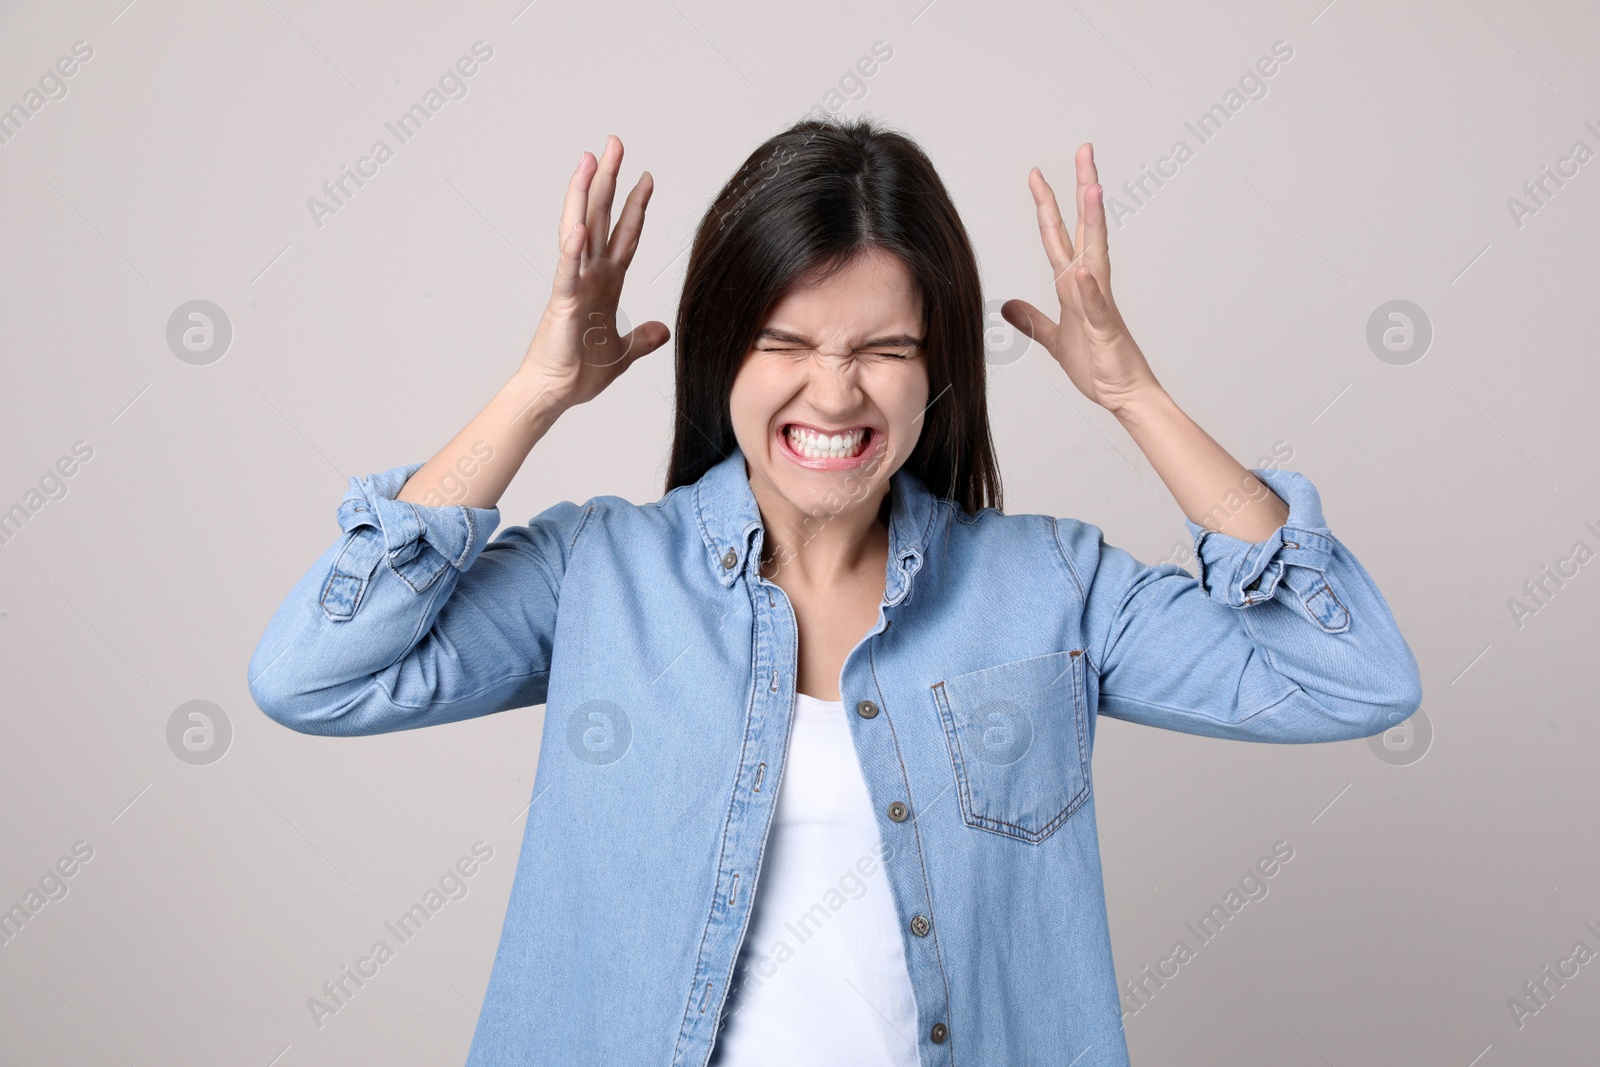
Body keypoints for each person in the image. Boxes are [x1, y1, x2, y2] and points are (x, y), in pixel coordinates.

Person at [247, 117, 1422, 1067]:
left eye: (883, 349)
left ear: (939, 369)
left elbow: (1352, 676)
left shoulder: (1048, 588)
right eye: (785, 341)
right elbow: (311, 672)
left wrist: (1134, 398)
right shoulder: (598, 577)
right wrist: (537, 390)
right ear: (723, 357)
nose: (833, 391)